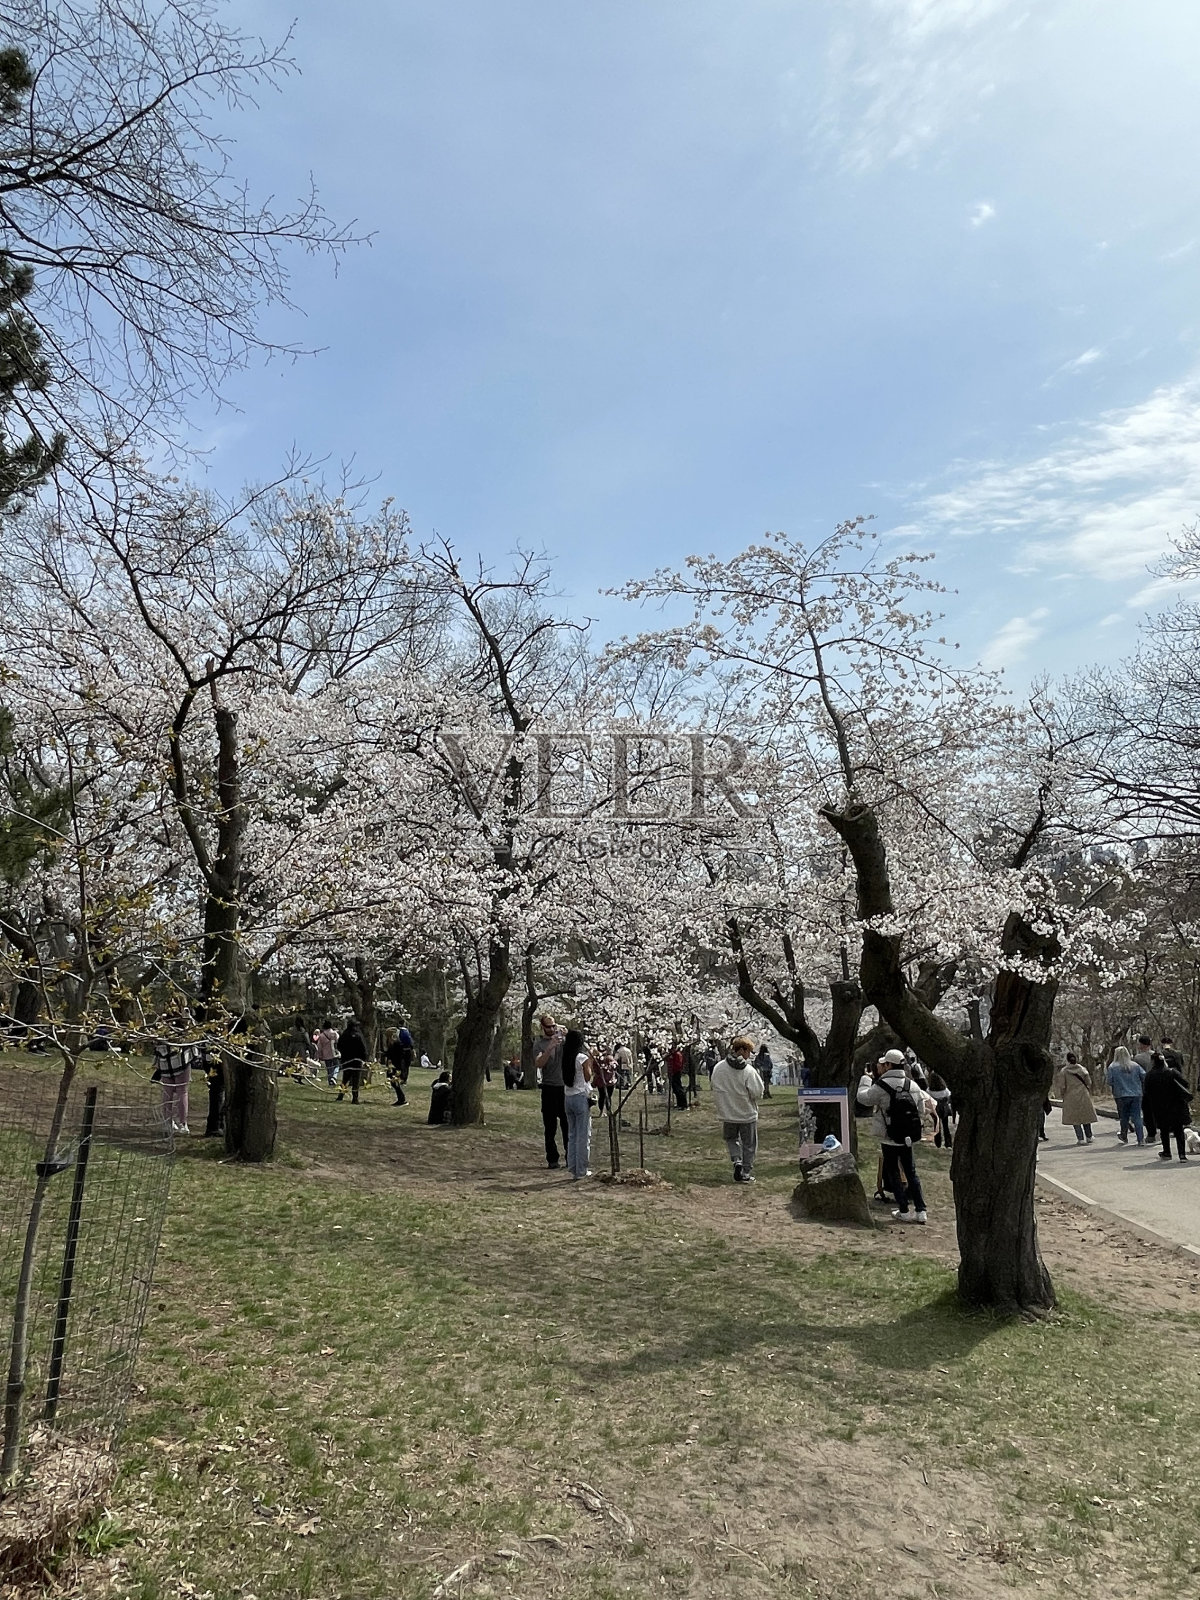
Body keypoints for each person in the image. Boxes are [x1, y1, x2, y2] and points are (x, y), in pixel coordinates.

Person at [865, 1048, 928, 1224]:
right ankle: (921, 1210)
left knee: (893, 1172)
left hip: (889, 1136)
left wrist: (865, 1081)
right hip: (908, 1137)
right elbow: (921, 1110)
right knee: (911, 1172)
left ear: (889, 1065)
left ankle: (904, 1210)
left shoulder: (881, 1086)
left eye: (884, 1064)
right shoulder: (912, 1085)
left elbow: (864, 1099)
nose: (882, 1066)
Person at [710, 1035, 763, 1183]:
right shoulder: (748, 1071)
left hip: (727, 1113)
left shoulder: (719, 1067)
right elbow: (757, 1092)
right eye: (749, 1052)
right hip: (747, 1113)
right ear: (742, 1050)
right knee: (749, 1144)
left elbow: (714, 1085)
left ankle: (736, 1160)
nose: (749, 1055)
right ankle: (746, 1172)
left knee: (731, 1138)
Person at [532, 1013, 569, 1169]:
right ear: (543, 1027)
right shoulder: (539, 1044)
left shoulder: (563, 1041)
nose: (553, 1029)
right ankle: (552, 1159)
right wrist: (550, 1047)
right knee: (550, 1126)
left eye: (554, 1026)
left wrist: (569, 1035)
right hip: (549, 1088)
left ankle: (570, 1156)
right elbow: (539, 1063)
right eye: (549, 1026)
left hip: (565, 1088)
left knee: (567, 1125)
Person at [1142, 1050, 1193, 1162]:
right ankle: (1182, 1155)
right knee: (1178, 1131)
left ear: (1153, 1062)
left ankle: (1167, 1153)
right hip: (1176, 1105)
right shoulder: (1172, 1072)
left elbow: (1146, 1092)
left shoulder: (1150, 1075)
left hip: (1159, 1107)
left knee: (1164, 1131)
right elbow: (1185, 1084)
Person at [562, 1028, 595, 1179]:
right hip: (580, 1097)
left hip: (568, 1097)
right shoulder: (581, 1057)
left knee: (572, 1134)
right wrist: (591, 1060)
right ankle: (581, 1170)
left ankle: (573, 1166)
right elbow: (588, 1077)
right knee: (583, 1135)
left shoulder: (566, 1056)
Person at [152, 1026, 194, 1135]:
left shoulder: (160, 1025)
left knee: (167, 1092)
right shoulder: (183, 1024)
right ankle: (182, 1124)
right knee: (182, 1092)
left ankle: (167, 1123)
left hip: (164, 1059)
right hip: (180, 1060)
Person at [1105, 1045, 1145, 1146]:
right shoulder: (1135, 1065)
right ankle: (1140, 1139)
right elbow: (1144, 1076)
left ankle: (1124, 1135)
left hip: (1121, 1095)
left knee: (1124, 1117)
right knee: (1137, 1117)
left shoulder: (1112, 1067)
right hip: (1136, 1094)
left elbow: (1109, 1081)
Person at [1061, 1053, 1096, 1144]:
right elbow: (1089, 1082)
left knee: (1075, 1118)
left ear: (1067, 1060)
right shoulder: (1082, 1069)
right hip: (1083, 1094)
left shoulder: (1064, 1071)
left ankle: (1080, 1138)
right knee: (1085, 1115)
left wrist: (1063, 1095)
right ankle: (1089, 1136)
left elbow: (1062, 1086)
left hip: (1070, 1096)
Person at [336, 1018, 368, 1103]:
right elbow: (363, 1047)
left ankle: (341, 1095)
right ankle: (355, 1098)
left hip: (346, 1059)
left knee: (345, 1078)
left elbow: (339, 1046)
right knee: (356, 1079)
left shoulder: (344, 1034)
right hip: (357, 1060)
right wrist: (364, 1058)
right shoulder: (358, 1035)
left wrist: (344, 1053)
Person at [1133, 1035, 1157, 1139]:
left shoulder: (1138, 1058)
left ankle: (1151, 1133)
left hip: (1144, 1087)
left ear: (1142, 1045)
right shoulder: (1157, 1055)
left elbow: (1135, 1074)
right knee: (1158, 1109)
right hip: (1158, 1086)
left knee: (1147, 1111)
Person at [928, 1071, 954, 1149]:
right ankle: (948, 1143)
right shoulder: (945, 1090)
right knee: (946, 1126)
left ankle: (938, 1142)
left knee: (937, 1126)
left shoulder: (929, 1090)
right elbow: (949, 1096)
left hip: (935, 1109)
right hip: (944, 1109)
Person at [383, 1028, 410, 1105]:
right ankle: (401, 1098)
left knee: (395, 1082)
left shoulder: (397, 1044)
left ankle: (402, 1099)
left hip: (396, 1066)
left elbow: (398, 1055)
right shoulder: (393, 1044)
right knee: (393, 1082)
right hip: (393, 1065)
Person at [314, 1022, 340, 1086]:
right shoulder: (334, 1033)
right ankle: (334, 1077)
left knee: (329, 1068)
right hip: (334, 1053)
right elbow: (338, 1041)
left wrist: (319, 1055)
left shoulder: (322, 1035)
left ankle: (330, 1081)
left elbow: (319, 1046)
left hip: (326, 1054)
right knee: (337, 1065)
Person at [666, 1042, 687, 1110]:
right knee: (675, 1089)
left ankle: (683, 1104)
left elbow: (678, 1065)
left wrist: (673, 1071)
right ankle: (679, 1104)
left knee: (679, 1088)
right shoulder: (671, 1054)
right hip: (672, 1073)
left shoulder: (677, 1054)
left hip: (676, 1073)